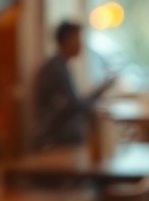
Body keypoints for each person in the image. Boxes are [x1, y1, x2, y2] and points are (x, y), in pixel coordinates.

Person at [32, 21, 114, 150]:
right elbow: (73, 107)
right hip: (56, 141)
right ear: (67, 40)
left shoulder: (60, 65)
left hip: (60, 136)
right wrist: (100, 91)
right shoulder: (56, 69)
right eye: (77, 39)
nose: (81, 44)